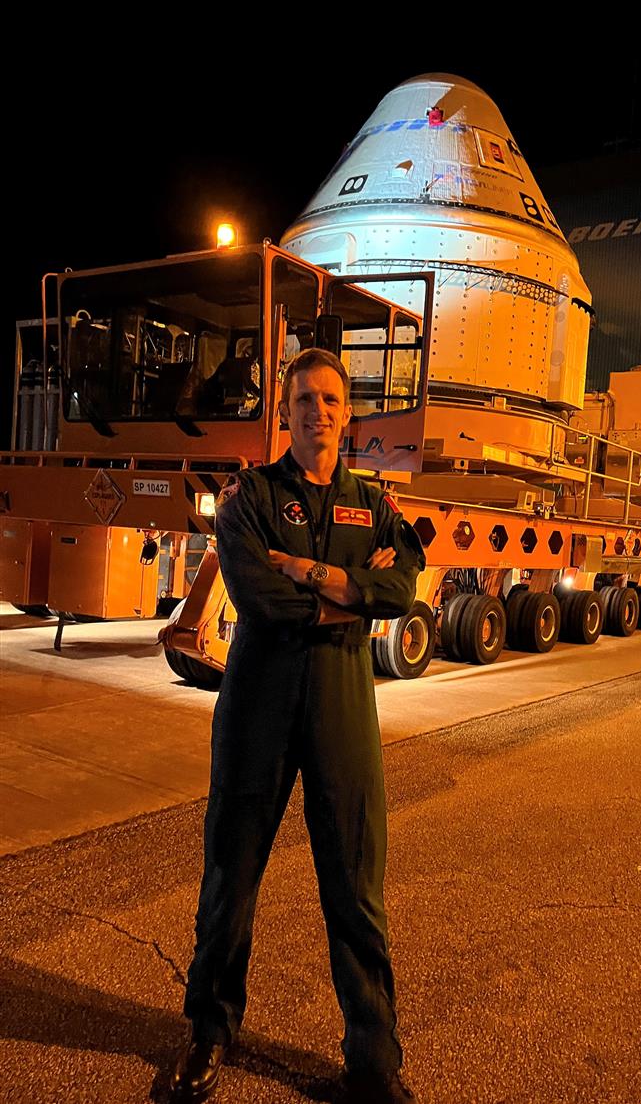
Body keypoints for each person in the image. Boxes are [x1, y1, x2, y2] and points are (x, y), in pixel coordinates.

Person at [170, 348, 425, 1103]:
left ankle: (374, 1062)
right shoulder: (249, 496)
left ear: (348, 415)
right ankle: (210, 1032)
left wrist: (320, 574)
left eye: (331, 400)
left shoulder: (372, 503)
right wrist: (355, 598)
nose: (318, 411)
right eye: (304, 399)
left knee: (356, 883)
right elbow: (256, 597)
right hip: (257, 707)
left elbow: (403, 582)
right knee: (230, 878)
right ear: (285, 413)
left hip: (343, 706)